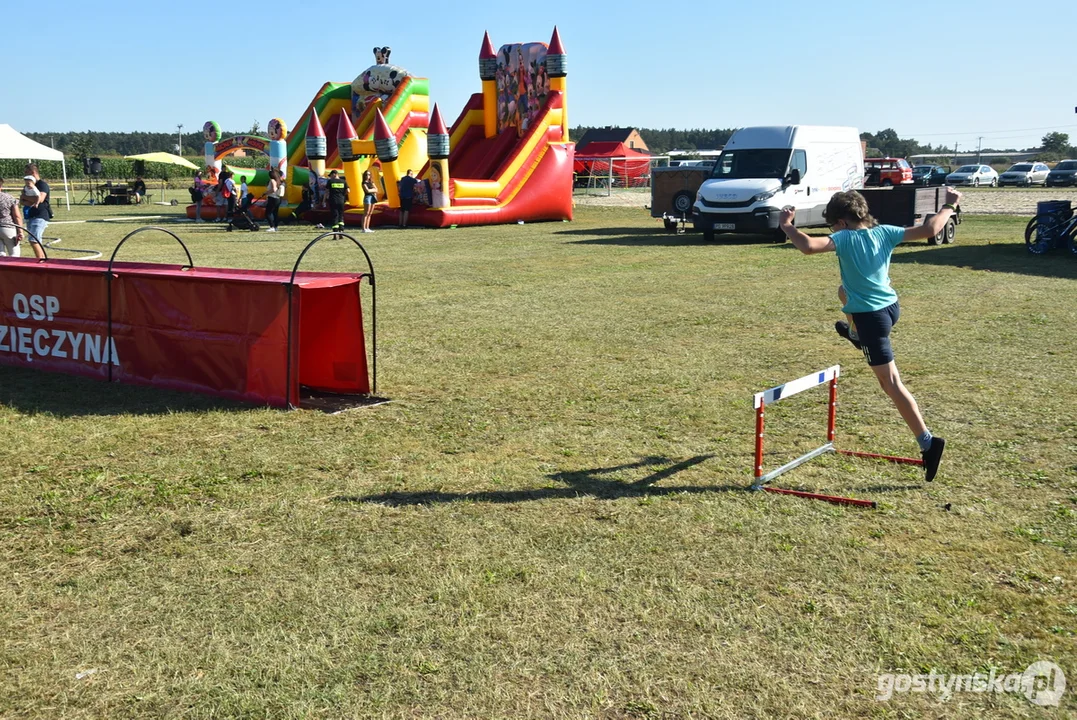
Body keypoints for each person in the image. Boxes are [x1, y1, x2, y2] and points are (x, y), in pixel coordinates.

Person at [778, 188, 960, 481]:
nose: (832, 229)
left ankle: (928, 442)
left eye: (832, 225)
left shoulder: (844, 237)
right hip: (890, 307)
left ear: (841, 221)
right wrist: (950, 205)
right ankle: (854, 334)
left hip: (871, 319)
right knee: (843, 291)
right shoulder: (885, 232)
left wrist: (787, 225)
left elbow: (809, 246)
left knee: (891, 383)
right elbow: (931, 228)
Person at [22, 165, 49, 259]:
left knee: (33, 239)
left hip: (40, 215)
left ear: (33, 173)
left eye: (26, 173)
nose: (25, 176)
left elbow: (40, 199)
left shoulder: (42, 185)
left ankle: (41, 260)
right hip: (30, 215)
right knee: (34, 240)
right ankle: (41, 259)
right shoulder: (27, 185)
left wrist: (26, 198)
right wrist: (29, 199)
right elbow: (22, 200)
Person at [0, 177, 25, 257]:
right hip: (8, 228)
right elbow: (17, 216)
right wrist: (20, 231)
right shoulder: (9, 198)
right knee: (14, 254)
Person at [326, 169, 348, 234]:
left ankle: (335, 233)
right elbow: (348, 191)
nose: (330, 177)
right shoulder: (344, 181)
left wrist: (324, 200)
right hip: (341, 200)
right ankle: (341, 231)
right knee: (341, 215)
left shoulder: (330, 181)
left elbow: (326, 192)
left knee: (335, 216)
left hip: (333, 200)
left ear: (334, 174)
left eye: (331, 175)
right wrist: (343, 195)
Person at [263, 168, 284, 232]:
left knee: (268, 213)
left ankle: (272, 226)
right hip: (277, 199)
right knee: (275, 213)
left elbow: (274, 189)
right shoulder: (278, 180)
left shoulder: (272, 180)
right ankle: (276, 226)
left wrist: (266, 193)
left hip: (272, 198)